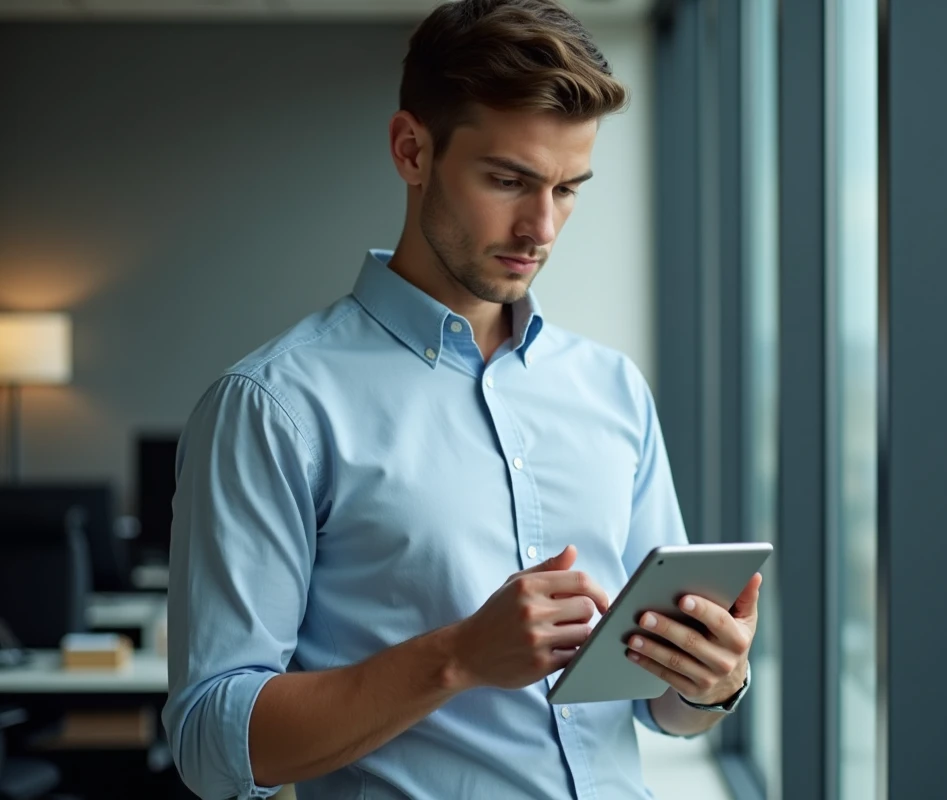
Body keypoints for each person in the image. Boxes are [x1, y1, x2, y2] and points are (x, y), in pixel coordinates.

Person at [162, 0, 761, 797]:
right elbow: (210, 746)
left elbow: (657, 705)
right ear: (412, 150)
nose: (540, 227)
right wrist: (458, 658)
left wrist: (708, 681)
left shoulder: (612, 389)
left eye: (568, 188)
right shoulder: (275, 407)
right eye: (508, 180)